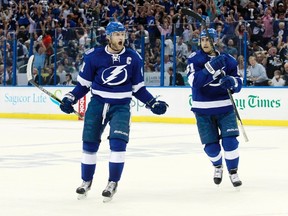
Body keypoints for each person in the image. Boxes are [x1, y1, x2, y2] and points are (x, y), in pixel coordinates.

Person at [59, 21, 168, 201]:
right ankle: (86, 181)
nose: (121, 38)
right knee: (89, 145)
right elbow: (83, 85)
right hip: (97, 104)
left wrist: (152, 102)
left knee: (118, 144)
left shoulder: (134, 58)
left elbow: (138, 88)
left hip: (121, 106)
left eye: (123, 34)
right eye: (117, 35)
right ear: (108, 37)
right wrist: (70, 98)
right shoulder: (93, 56)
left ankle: (112, 182)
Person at [186, 28, 243, 187]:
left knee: (230, 142)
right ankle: (218, 166)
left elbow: (239, 83)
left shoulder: (229, 59)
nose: (205, 43)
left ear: (216, 41)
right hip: (202, 110)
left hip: (225, 108)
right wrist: (210, 68)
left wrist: (232, 82)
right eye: (202, 39)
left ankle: (233, 171)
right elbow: (195, 83)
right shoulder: (194, 59)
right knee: (211, 148)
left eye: (208, 39)